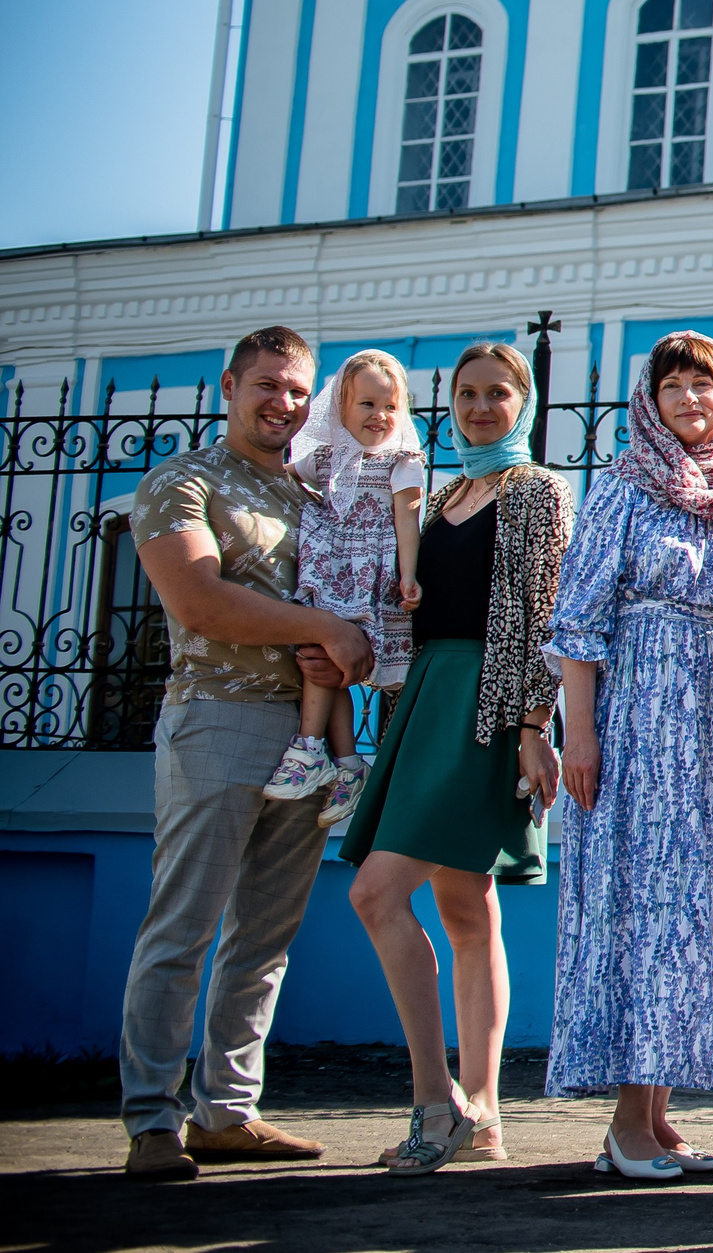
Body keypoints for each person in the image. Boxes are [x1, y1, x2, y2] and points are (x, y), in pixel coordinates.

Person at [119, 325, 375, 1181]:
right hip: (219, 718)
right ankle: (152, 1119)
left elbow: (358, 607)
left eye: (299, 391)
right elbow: (199, 601)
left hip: (311, 731)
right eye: (268, 384)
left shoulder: (317, 493)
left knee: (265, 934)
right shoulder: (182, 481)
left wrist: (348, 647)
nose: (284, 403)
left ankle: (227, 1112)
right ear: (229, 386)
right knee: (183, 925)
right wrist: (324, 628)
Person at [340, 341, 574, 1176]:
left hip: (488, 711)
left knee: (375, 892)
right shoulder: (441, 495)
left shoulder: (539, 491)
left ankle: (436, 1103)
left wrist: (534, 724)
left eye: (497, 392)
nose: (480, 407)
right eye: (467, 393)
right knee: (467, 910)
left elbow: (547, 612)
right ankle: (483, 1115)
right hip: (427, 700)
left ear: (525, 400)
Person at [548, 333, 713, 1181]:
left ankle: (659, 1114)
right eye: (672, 386)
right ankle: (625, 1123)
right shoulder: (621, 487)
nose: (689, 400)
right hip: (637, 726)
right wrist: (580, 733)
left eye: (704, 385)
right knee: (641, 910)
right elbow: (578, 620)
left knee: (699, 914)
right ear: (650, 401)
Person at [263, 349, 425, 826]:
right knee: (322, 657)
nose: (380, 415)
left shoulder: (403, 460)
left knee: (331, 659)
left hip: (369, 575)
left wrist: (409, 575)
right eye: (367, 404)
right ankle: (345, 762)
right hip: (331, 568)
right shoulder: (326, 458)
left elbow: (408, 520)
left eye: (390, 406)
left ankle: (313, 749)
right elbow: (282, 481)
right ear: (340, 408)